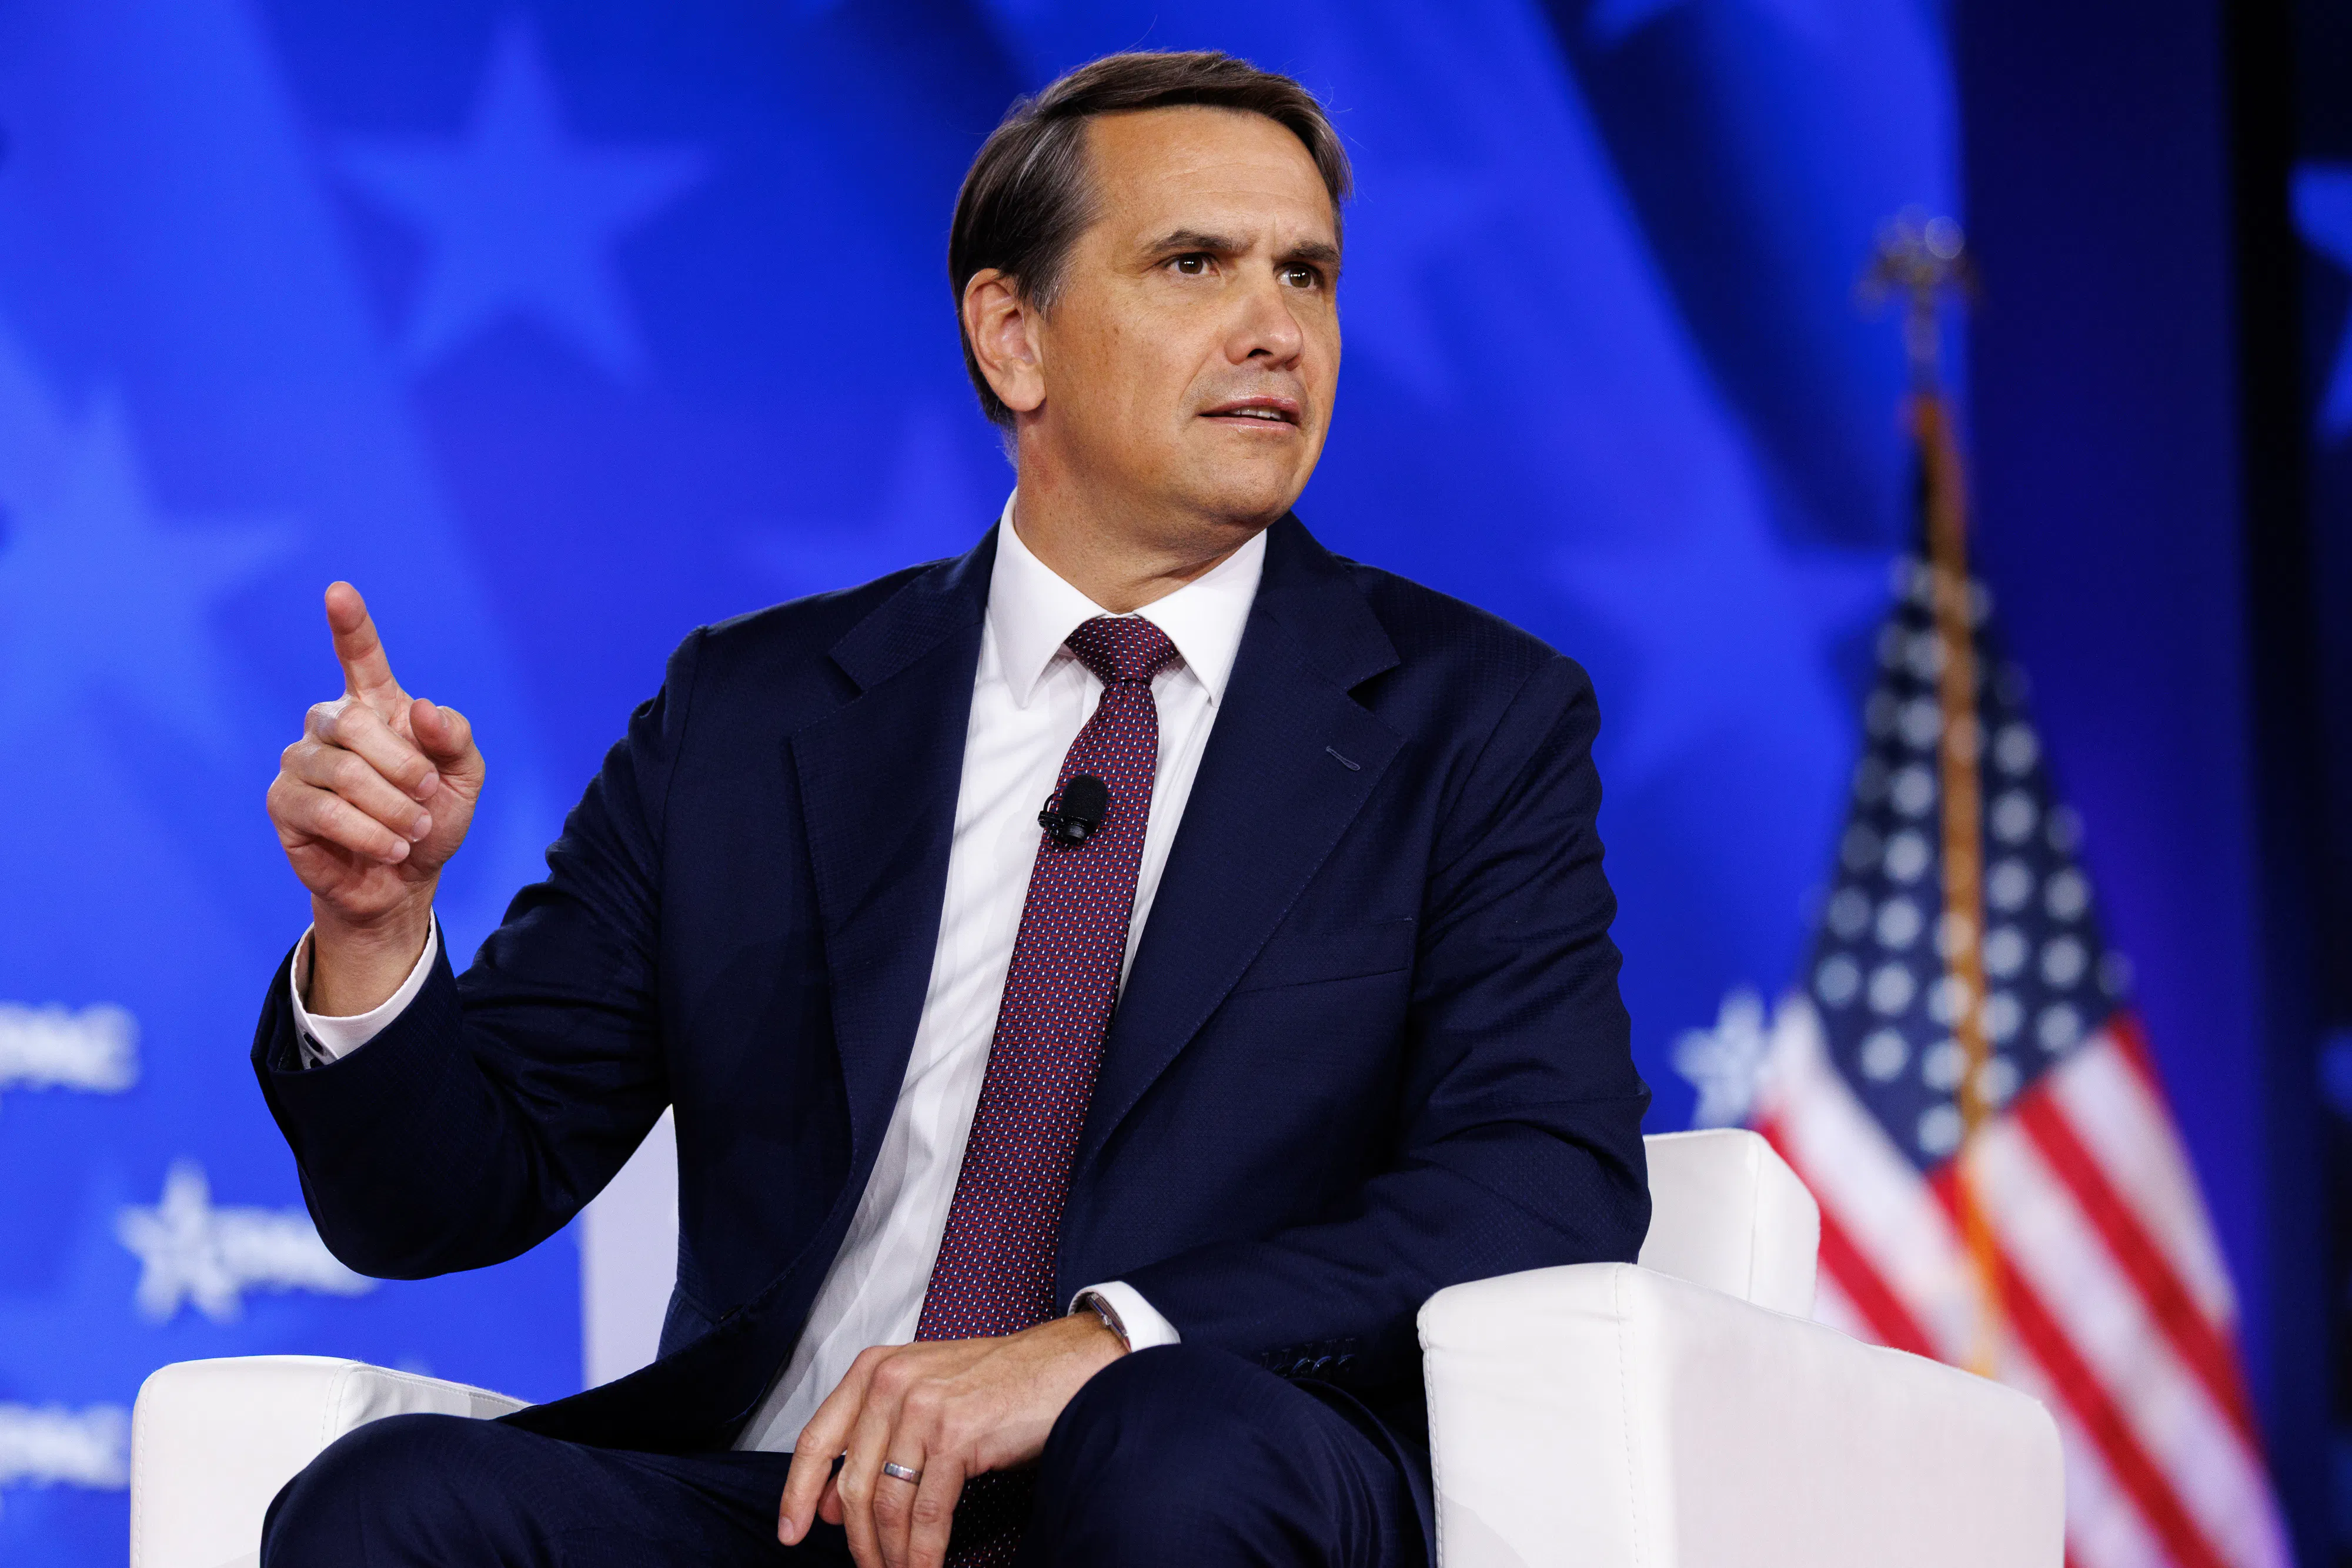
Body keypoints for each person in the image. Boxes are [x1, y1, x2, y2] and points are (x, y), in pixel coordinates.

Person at [253, 48, 1649, 1568]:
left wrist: (1104, 1345)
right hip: (794, 1498)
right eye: (1198, 263)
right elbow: (441, 1196)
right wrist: (377, 932)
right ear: (1012, 336)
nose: (1276, 329)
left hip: (1188, 1474)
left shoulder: (1470, 720)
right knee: (379, 1508)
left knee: (1165, 1445)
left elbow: (1540, 1178)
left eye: (1307, 276)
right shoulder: (757, 713)